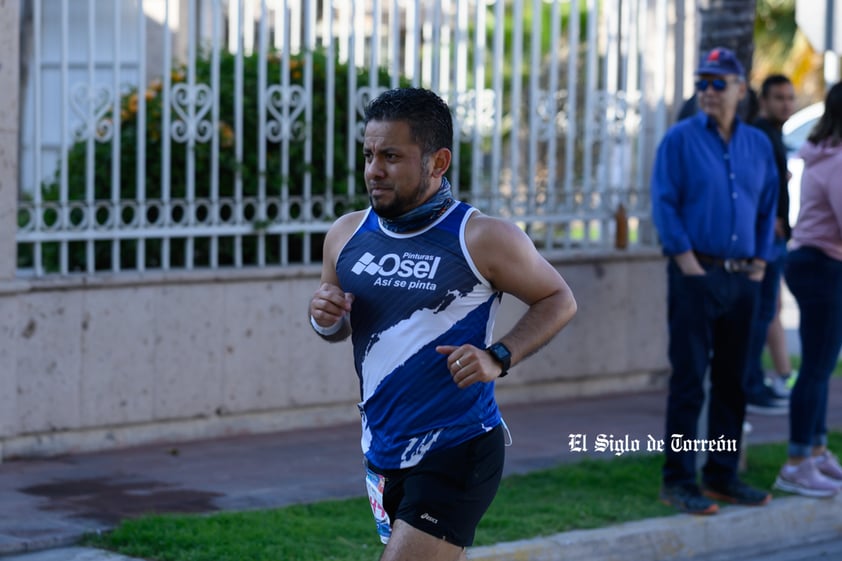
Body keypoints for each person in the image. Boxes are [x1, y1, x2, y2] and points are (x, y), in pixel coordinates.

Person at [308, 87, 577, 560]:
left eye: (391, 156)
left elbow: (558, 298)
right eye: (369, 154)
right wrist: (324, 318)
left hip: (459, 445)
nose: (374, 170)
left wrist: (499, 356)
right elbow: (338, 329)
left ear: (438, 162)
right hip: (382, 448)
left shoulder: (481, 238)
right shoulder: (346, 235)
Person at [650, 47, 779, 515]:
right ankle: (679, 480)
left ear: (741, 90)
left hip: (744, 279)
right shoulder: (679, 140)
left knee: (733, 381)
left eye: (718, 82)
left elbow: (768, 208)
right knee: (689, 381)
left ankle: (722, 476)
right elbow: (664, 203)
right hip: (695, 276)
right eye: (702, 82)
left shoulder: (758, 145)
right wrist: (688, 264)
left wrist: (761, 264)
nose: (707, 91)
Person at [773, 82, 842, 497]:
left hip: (814, 261)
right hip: (822, 265)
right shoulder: (837, 160)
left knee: (821, 366)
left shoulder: (825, 153)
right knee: (815, 369)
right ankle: (797, 462)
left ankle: (815, 450)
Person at [745, 74, 797, 415]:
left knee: (766, 313)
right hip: (765, 240)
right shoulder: (761, 133)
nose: (786, 104)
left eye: (790, 98)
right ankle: (751, 384)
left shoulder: (776, 135)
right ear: (763, 100)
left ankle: (760, 380)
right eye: (779, 97)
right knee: (759, 314)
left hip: (774, 239)